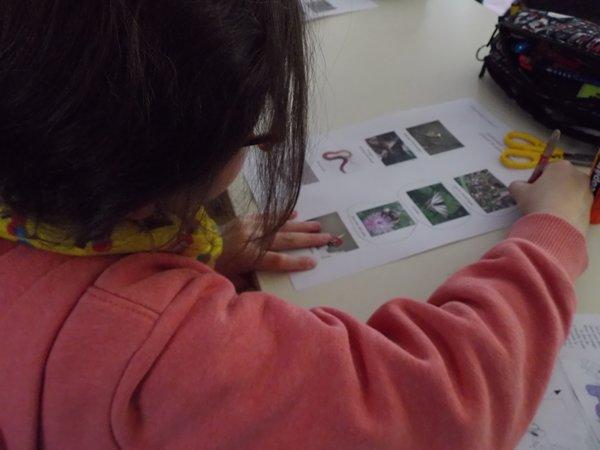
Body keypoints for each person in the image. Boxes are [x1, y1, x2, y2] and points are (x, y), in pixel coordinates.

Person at [0, 1, 593, 449]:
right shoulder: (163, 359)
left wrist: (205, 255)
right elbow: (451, 406)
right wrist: (553, 234)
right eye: (253, 130)